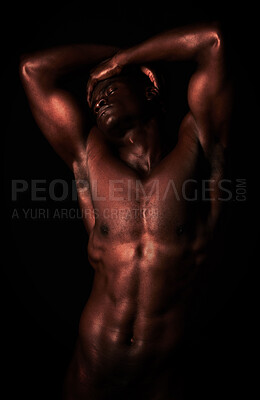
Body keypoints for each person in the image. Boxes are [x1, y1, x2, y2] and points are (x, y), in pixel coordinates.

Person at [20, 22, 233, 400]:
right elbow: (34, 69)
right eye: (93, 98)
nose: (98, 100)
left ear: (149, 88)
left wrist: (124, 59)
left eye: (109, 88)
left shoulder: (199, 144)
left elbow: (211, 42)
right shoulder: (87, 158)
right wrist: (113, 55)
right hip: (91, 375)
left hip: (162, 381)